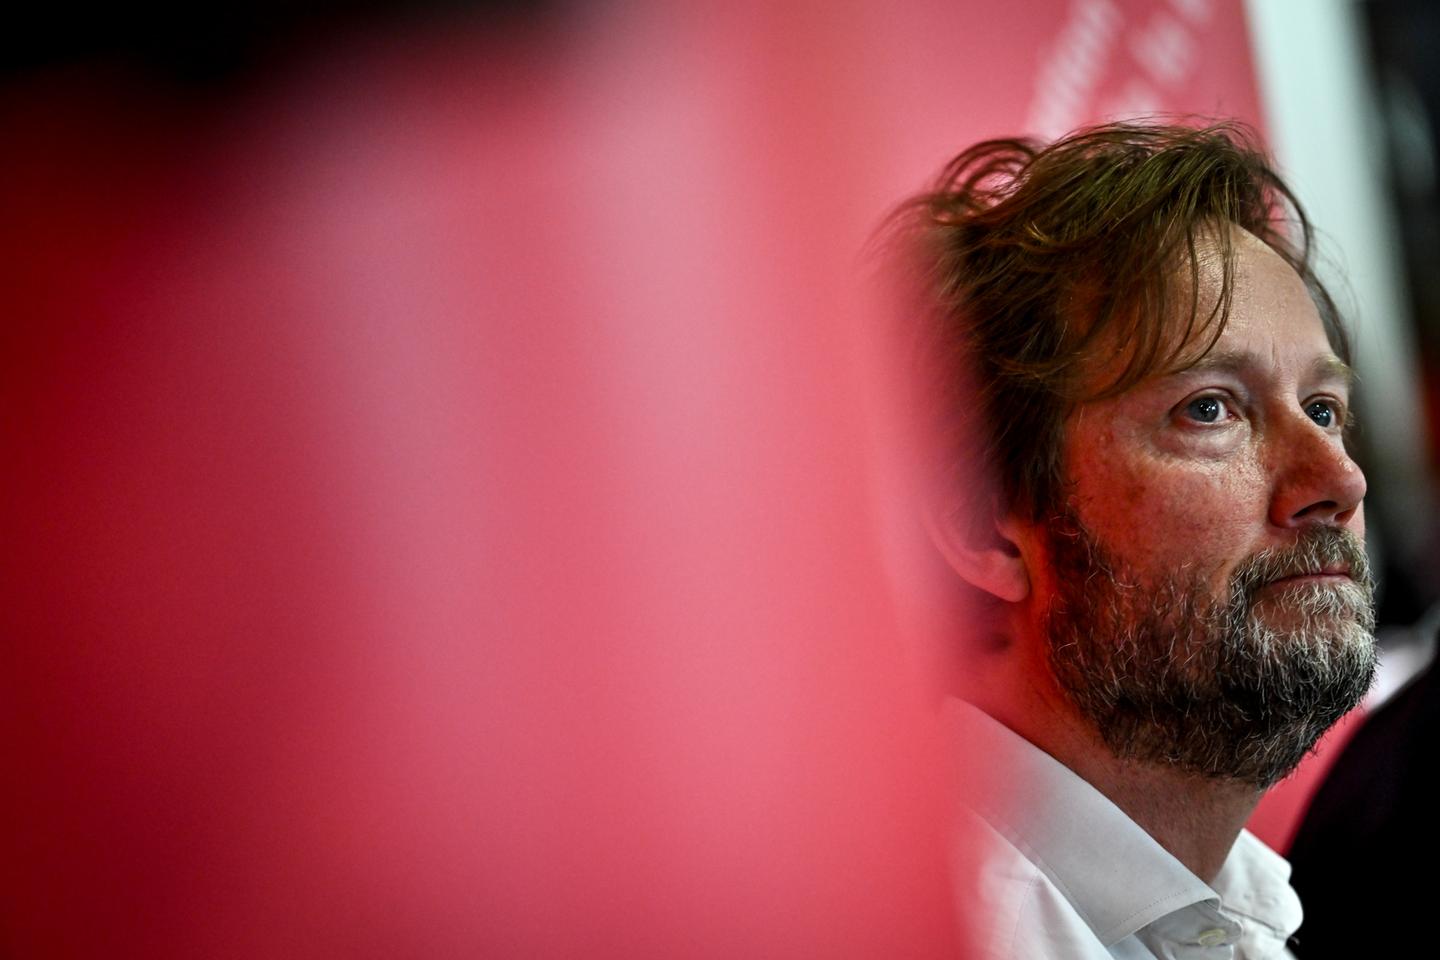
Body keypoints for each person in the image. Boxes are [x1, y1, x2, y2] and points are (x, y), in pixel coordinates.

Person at [892, 122, 1379, 959]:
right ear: (985, 527)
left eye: (1323, 410)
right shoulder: (918, 930)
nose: (1339, 479)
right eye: (1210, 409)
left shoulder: (1244, 916)